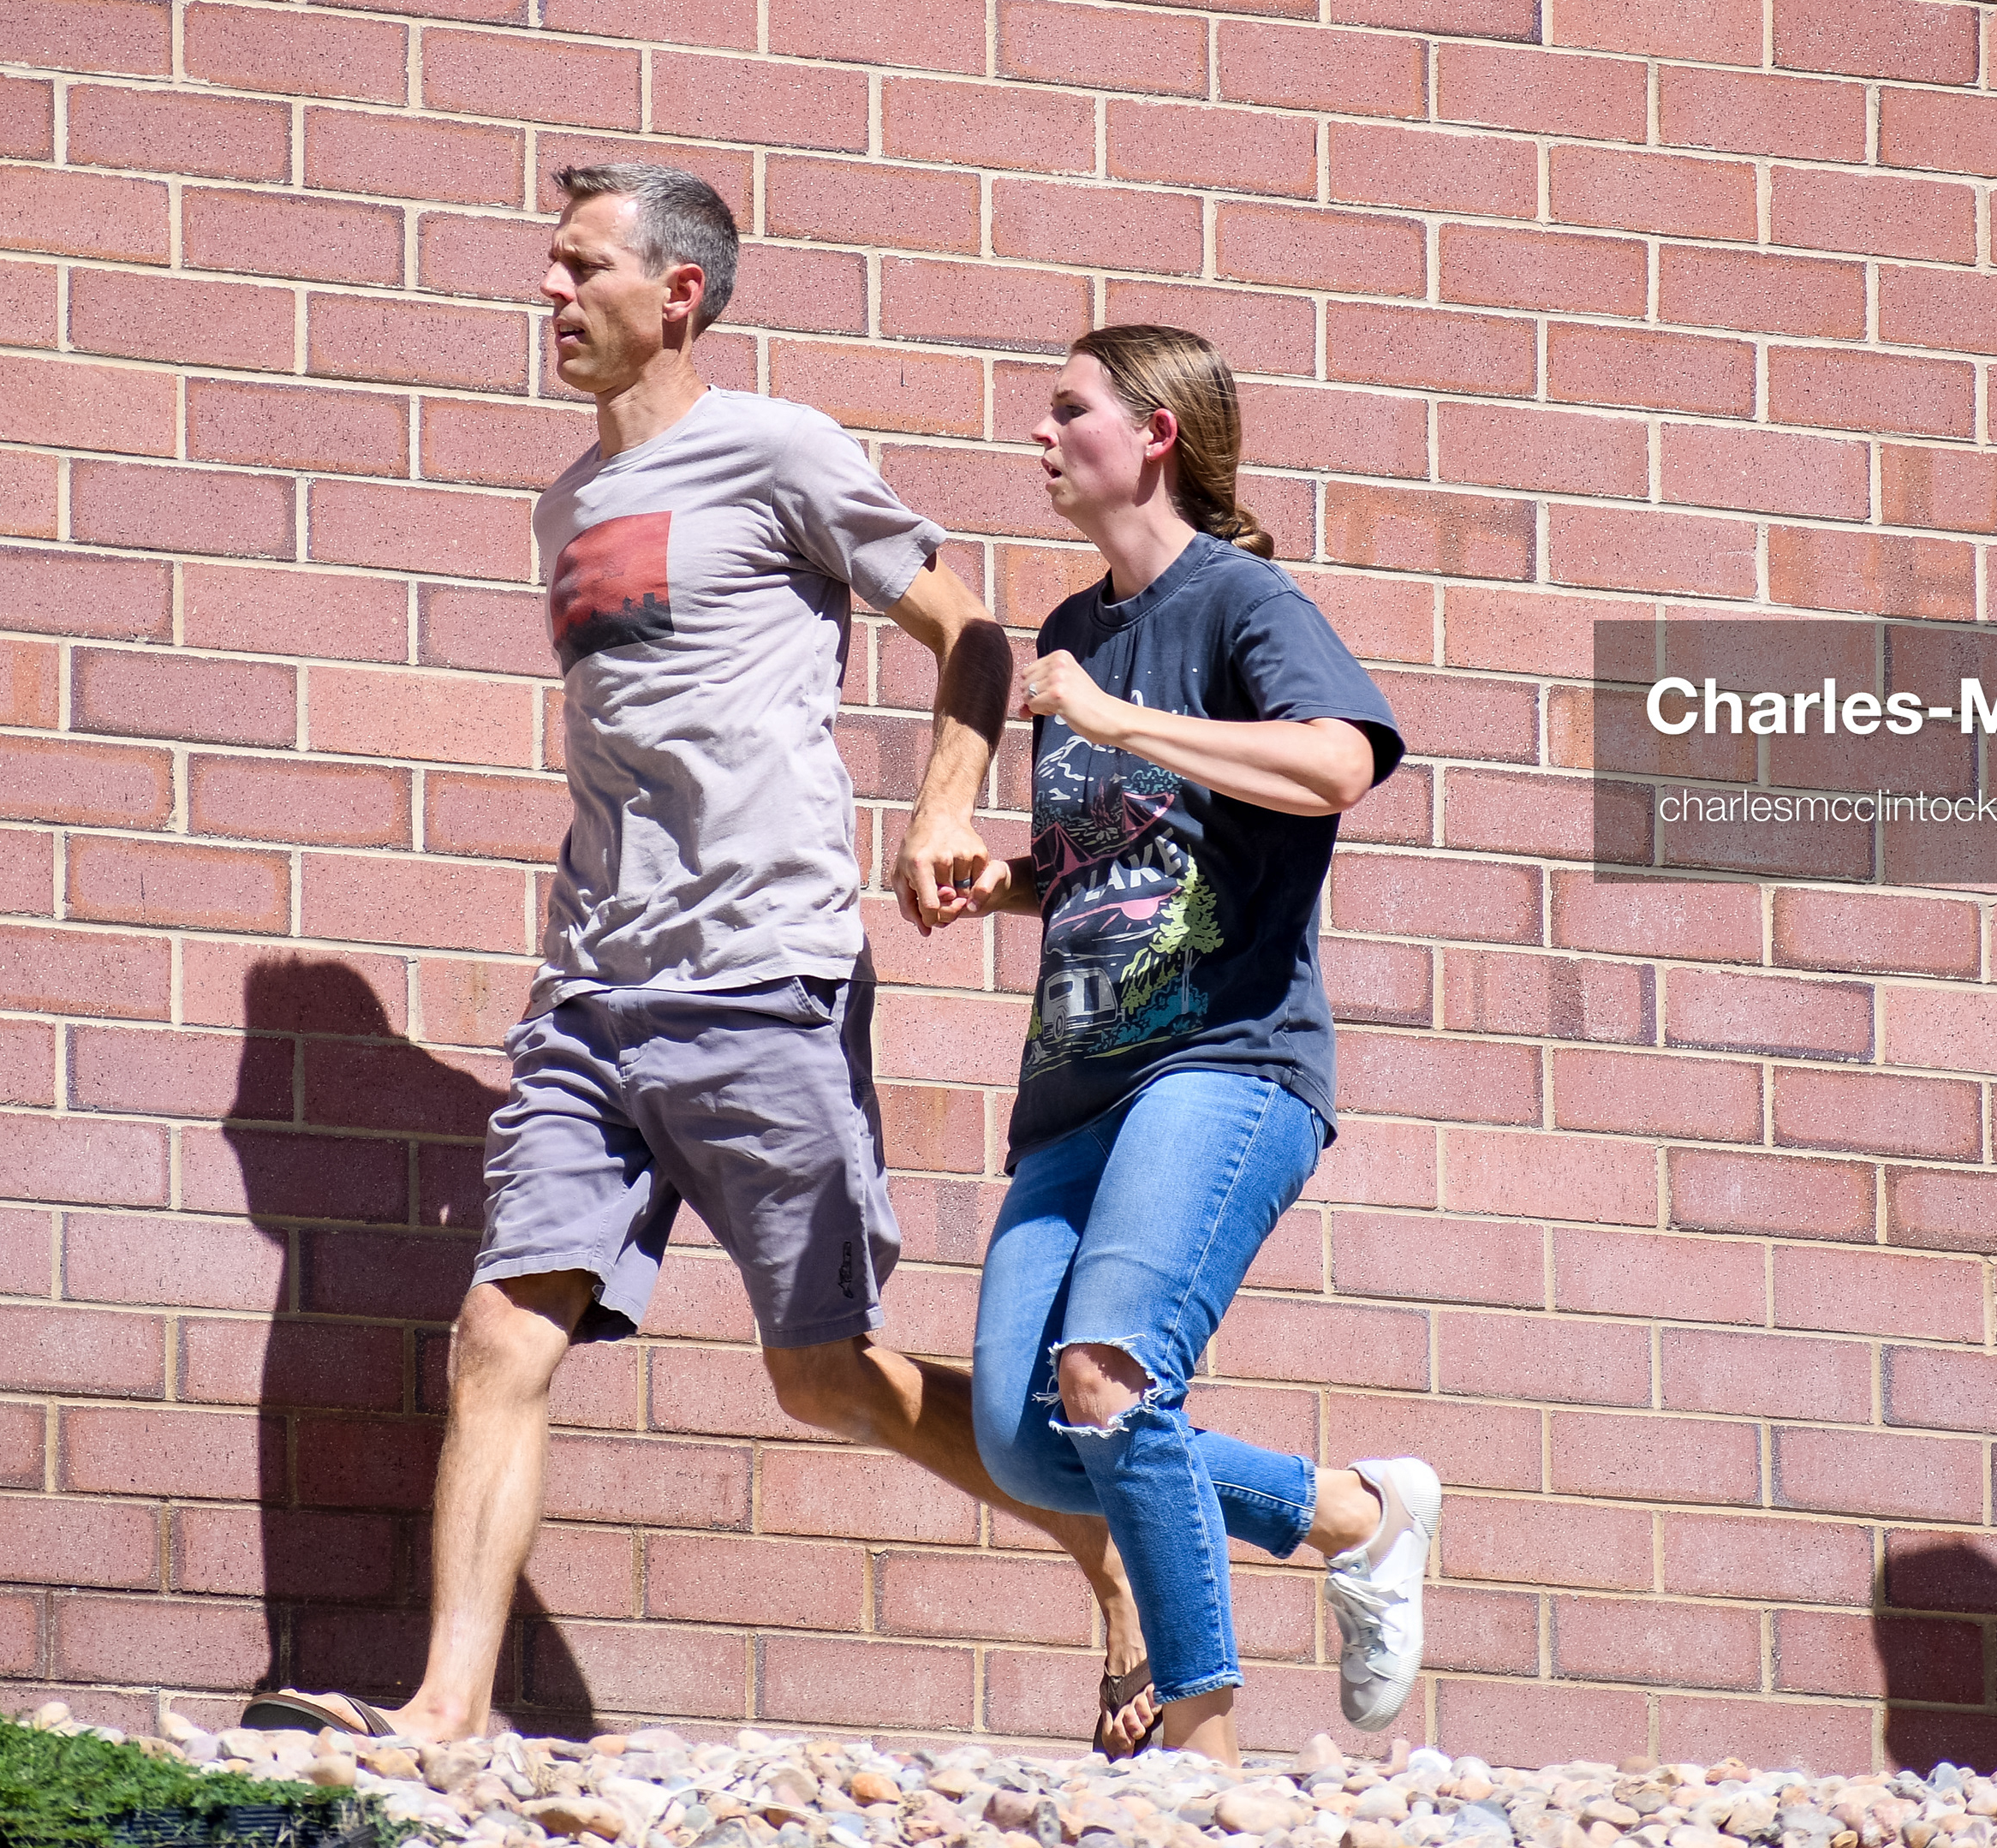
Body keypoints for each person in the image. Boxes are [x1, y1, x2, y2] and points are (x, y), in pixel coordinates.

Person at [241, 163, 1148, 1749]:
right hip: (592, 990)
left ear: (676, 293)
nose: (545, 290)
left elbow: (976, 635)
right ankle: (449, 1705)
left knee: (826, 1376)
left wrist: (942, 807)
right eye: (545, 262)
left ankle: (1102, 1537)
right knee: (502, 1330)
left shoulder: (778, 451)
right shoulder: (566, 501)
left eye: (577, 263)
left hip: (760, 972)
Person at [933, 323, 1438, 1760]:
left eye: (1066, 412)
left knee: (1109, 1378)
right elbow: (1116, 858)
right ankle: (1354, 1515)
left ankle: (1199, 1744)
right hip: (1075, 1089)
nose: (1040, 435)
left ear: (1153, 433)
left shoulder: (1240, 602)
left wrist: (1124, 720)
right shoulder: (1069, 635)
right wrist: (1000, 878)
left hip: (1228, 1060)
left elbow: (1341, 761)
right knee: (1031, 1439)